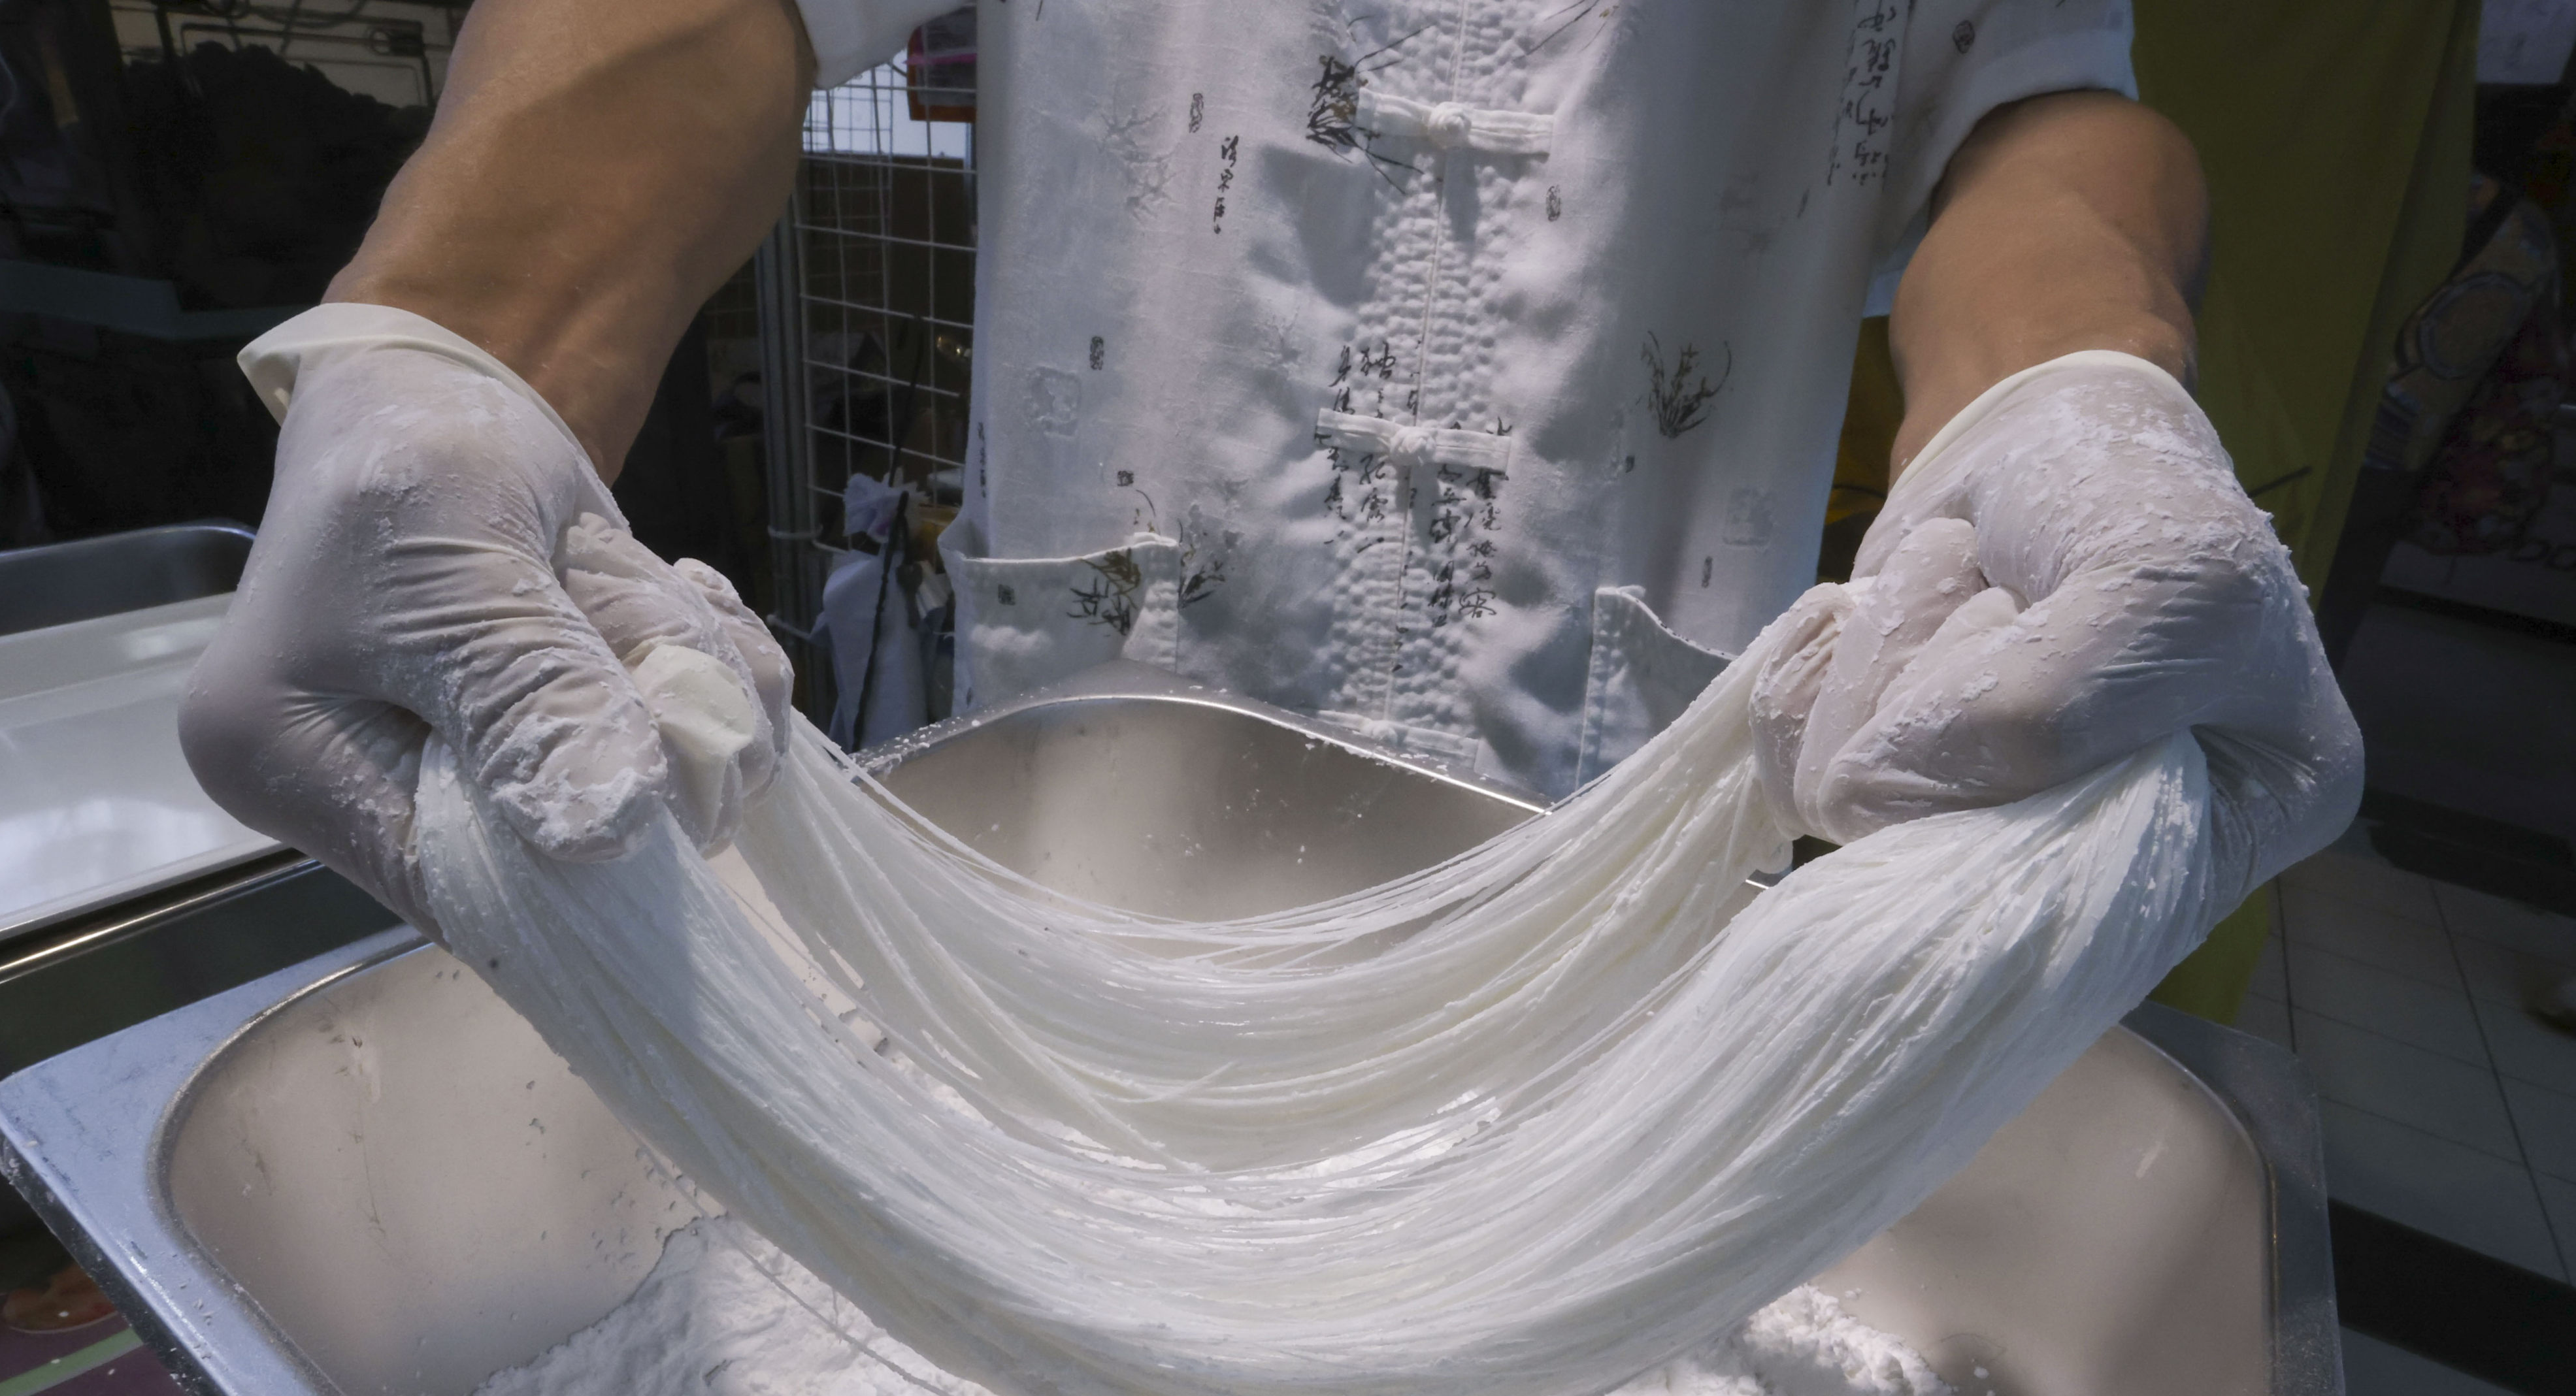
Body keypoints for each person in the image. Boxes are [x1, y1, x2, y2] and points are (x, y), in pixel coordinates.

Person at [179, 0, 2359, 933]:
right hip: (1063, 863)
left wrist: (2087, 377)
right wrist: (453, 340)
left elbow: (2043, 97)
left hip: (1620, 872)